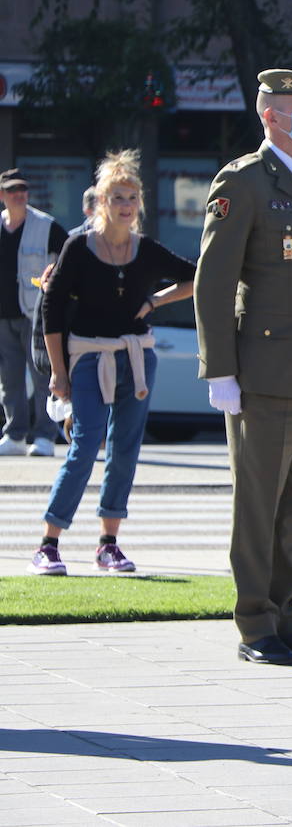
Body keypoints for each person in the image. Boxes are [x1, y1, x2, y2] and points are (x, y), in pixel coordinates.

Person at [194, 68, 292, 666]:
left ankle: (286, 616)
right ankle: (255, 622)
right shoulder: (246, 180)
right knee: (259, 504)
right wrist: (220, 370)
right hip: (264, 371)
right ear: (271, 115)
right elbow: (213, 279)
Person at [29, 150, 195, 575]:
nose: (125, 205)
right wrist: (58, 374)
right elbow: (51, 308)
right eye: (117, 197)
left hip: (137, 358)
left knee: (125, 449)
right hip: (87, 357)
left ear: (139, 203)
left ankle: (109, 544)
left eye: (132, 197)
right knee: (85, 445)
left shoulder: (146, 249)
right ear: (101, 202)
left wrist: (156, 300)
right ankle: (49, 543)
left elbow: (195, 276)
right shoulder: (79, 247)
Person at [0, 167, 67, 457]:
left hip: (35, 314)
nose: (20, 195)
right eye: (13, 190)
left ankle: (44, 436)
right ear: (2, 195)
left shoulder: (46, 225)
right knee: (9, 378)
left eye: (23, 190)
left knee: (42, 376)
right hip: (3, 316)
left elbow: (69, 256)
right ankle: (14, 434)